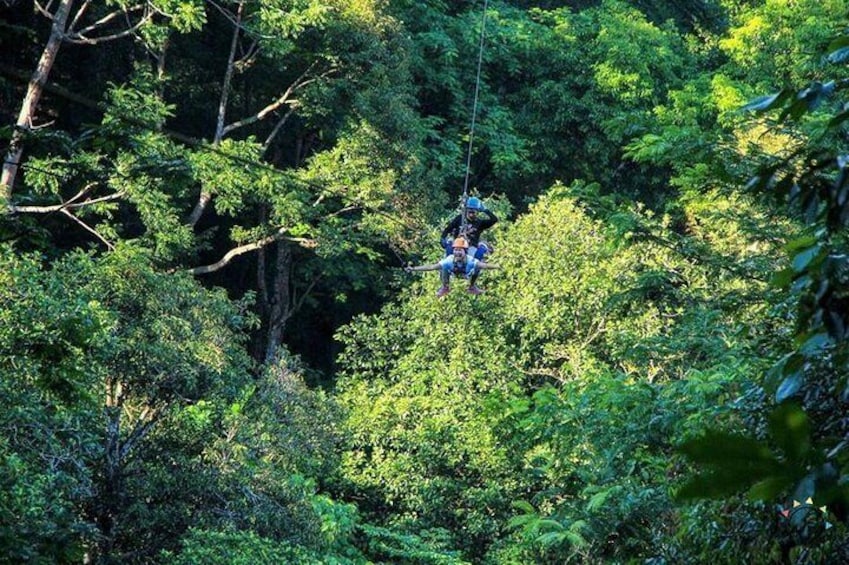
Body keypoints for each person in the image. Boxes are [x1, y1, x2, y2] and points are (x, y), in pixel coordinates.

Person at [406, 237, 498, 297]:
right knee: (443, 266)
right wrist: (413, 268)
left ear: (465, 252)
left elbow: (485, 265)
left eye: (459, 250)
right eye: (456, 250)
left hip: (467, 274)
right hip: (453, 273)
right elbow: (432, 267)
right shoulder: (450, 259)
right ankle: (445, 287)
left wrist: (498, 266)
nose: (457, 253)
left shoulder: (470, 260)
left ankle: (472, 286)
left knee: (478, 266)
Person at [440, 196, 497, 261]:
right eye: (470, 212)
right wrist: (442, 238)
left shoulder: (480, 223)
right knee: (449, 255)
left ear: (477, 212)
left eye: (473, 212)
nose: (471, 215)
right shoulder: (459, 218)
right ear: (466, 210)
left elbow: (494, 219)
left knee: (476, 259)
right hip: (457, 245)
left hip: (471, 247)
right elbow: (448, 229)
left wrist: (485, 210)